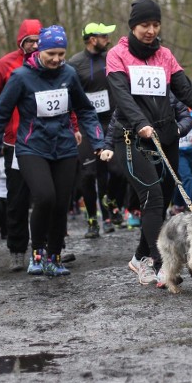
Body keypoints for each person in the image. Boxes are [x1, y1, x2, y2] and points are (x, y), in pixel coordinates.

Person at [106, 0, 192, 287]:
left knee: (160, 203)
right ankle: (160, 264)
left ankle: (139, 257)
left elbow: (187, 92)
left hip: (166, 137)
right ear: (134, 26)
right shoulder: (117, 55)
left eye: (155, 24)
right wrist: (141, 124)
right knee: (153, 198)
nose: (150, 30)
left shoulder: (165, 55)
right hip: (133, 138)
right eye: (145, 25)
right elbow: (121, 95)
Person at [0, 25, 104, 276]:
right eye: (52, 53)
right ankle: (37, 253)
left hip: (64, 147)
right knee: (45, 197)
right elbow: (0, 114)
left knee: (61, 204)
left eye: (61, 54)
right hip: (32, 148)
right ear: (40, 50)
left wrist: (98, 142)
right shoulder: (20, 77)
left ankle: (55, 256)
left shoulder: (69, 74)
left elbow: (84, 110)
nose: (57, 59)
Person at [0, 18, 42, 269]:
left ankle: (48, 247)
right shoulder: (5, 65)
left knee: (48, 196)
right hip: (14, 143)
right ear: (21, 42)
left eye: (39, 41)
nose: (35, 46)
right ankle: (17, 249)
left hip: (45, 141)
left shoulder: (51, 63)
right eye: (30, 41)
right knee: (17, 198)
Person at [69, 22, 124, 236]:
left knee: (117, 171)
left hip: (111, 121)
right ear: (93, 39)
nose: (108, 40)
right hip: (86, 124)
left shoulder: (111, 58)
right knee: (88, 174)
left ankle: (110, 203)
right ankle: (94, 220)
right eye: (104, 36)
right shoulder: (74, 64)